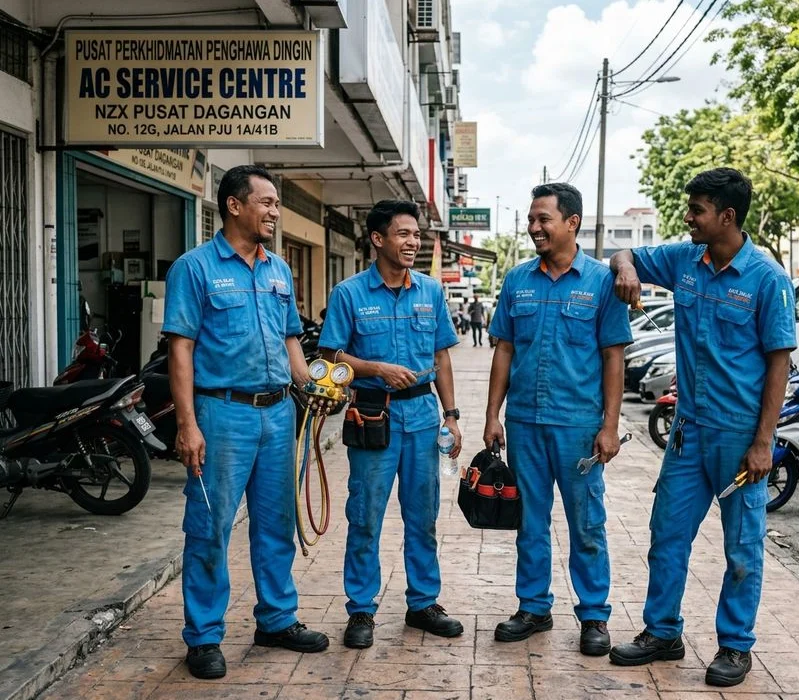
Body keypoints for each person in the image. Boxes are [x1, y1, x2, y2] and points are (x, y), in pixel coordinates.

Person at [608, 168, 796, 687]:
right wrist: (626, 270)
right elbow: (623, 255)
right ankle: (662, 632)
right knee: (666, 535)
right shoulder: (684, 260)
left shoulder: (766, 278)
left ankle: (735, 645)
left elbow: (779, 364)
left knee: (742, 548)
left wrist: (763, 442)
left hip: (740, 437)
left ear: (727, 216)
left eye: (697, 210)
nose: (688, 218)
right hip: (688, 433)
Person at [163, 165, 328, 680]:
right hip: (222, 413)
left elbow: (290, 339)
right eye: (267, 202)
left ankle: (276, 620)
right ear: (234, 206)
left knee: (276, 523)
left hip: (279, 413)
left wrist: (312, 388)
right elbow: (180, 349)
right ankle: (204, 636)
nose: (276, 212)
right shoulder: (194, 268)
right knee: (210, 526)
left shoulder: (279, 270)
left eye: (277, 203)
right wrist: (188, 425)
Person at [484, 182, 632, 656]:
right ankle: (533, 607)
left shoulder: (601, 282)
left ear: (572, 223)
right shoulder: (516, 281)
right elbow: (505, 349)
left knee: (586, 523)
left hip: (578, 426)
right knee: (529, 520)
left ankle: (594, 615)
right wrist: (493, 415)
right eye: (531, 219)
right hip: (525, 423)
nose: (534, 228)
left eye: (543, 219)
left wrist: (610, 426)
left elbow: (613, 356)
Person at [318, 199, 465, 649]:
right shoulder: (349, 294)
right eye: (403, 234)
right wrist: (375, 368)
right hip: (372, 415)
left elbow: (441, 356)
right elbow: (329, 355)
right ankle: (361, 609)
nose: (413, 242)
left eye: (416, 235)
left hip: (422, 417)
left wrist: (452, 416)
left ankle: (423, 603)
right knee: (365, 516)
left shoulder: (431, 292)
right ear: (378, 239)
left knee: (423, 516)